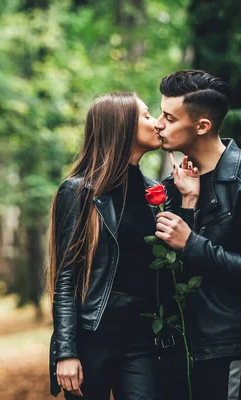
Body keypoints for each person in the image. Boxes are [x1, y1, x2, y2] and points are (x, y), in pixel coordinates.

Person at [152, 70, 241, 400]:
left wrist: (191, 242)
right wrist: (188, 204)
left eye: (169, 117)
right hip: (179, 345)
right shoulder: (175, 186)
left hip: (229, 346)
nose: (158, 124)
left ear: (202, 126)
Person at [48, 92, 164, 399]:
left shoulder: (155, 192)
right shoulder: (79, 191)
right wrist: (66, 351)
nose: (157, 124)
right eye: (147, 115)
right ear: (122, 126)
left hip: (140, 338)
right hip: (92, 337)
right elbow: (66, 276)